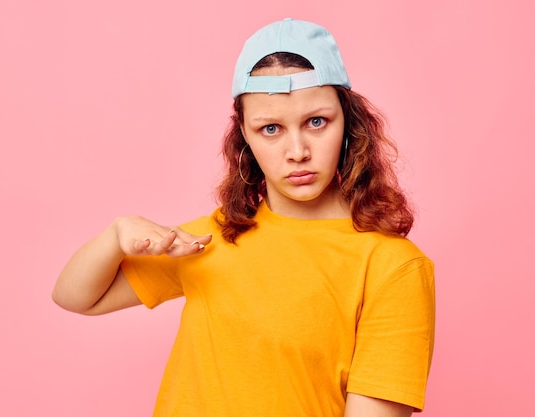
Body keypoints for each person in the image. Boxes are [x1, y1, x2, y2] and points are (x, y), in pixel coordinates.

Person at [53, 18, 435, 417]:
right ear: (245, 138)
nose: (298, 150)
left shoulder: (395, 267)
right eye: (271, 128)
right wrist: (117, 233)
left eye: (316, 122)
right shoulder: (207, 240)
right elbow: (75, 296)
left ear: (349, 124)